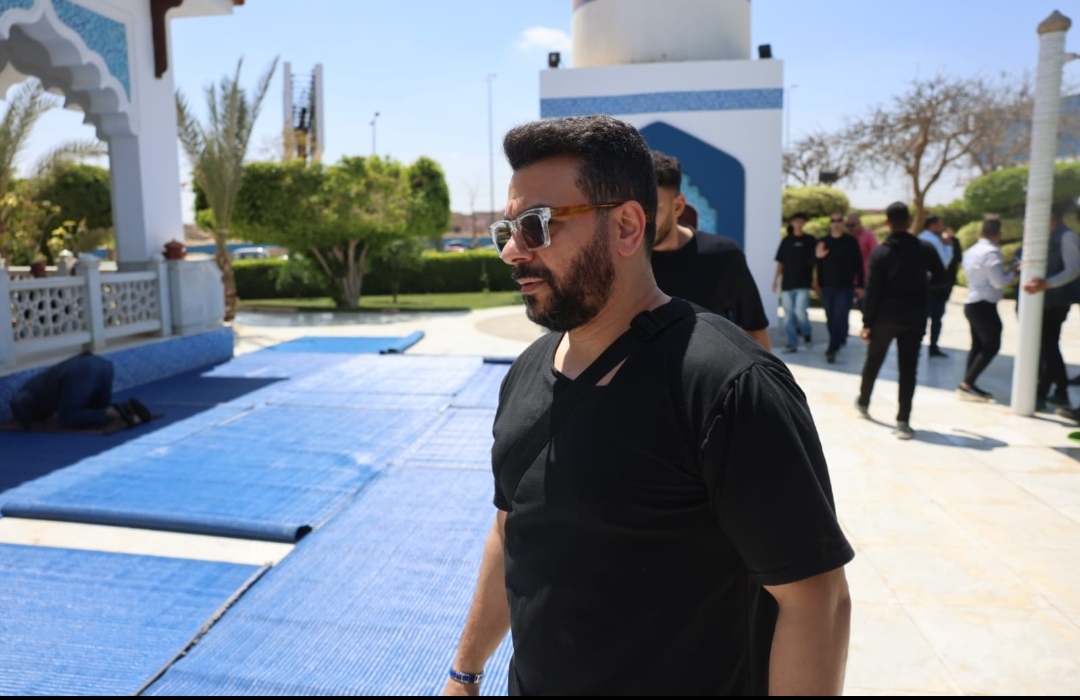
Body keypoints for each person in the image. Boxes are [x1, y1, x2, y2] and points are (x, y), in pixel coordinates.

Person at [443, 115, 852, 697]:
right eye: (507, 229)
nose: (512, 251)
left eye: (536, 225)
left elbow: (815, 601)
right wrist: (465, 674)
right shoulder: (528, 372)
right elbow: (511, 530)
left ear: (627, 227)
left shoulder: (728, 387)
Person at [649, 150, 771, 350]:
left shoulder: (723, 255)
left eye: (653, 209)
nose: (642, 221)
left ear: (678, 206)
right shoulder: (621, 260)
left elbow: (755, 328)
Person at [857, 202, 947, 439]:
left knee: (874, 361)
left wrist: (867, 323)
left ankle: (863, 402)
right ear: (909, 221)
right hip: (915, 318)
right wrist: (921, 283)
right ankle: (903, 421)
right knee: (909, 369)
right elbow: (942, 278)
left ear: (887, 222)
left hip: (884, 318)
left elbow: (872, 290)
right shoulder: (925, 248)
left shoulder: (881, 252)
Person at [1022, 201, 1080, 410]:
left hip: (1056, 303)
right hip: (1045, 301)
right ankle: (1055, 391)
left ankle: (1051, 392)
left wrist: (1048, 284)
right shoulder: (1044, 236)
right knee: (1045, 348)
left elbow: (1073, 269)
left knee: (1048, 348)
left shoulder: (1067, 236)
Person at [9, 352, 151, 430]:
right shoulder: (40, 382)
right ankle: (127, 407)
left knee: (67, 419)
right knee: (97, 408)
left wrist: (26, 426)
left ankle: (111, 413)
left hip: (83, 371)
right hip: (103, 365)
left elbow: (17, 402)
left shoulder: (29, 391)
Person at [957, 216, 1016, 402]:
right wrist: (1013, 272)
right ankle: (967, 383)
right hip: (984, 304)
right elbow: (999, 282)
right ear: (999, 234)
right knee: (991, 345)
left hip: (972, 302)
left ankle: (968, 383)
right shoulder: (992, 253)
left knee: (978, 346)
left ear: (981, 232)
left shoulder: (972, 250)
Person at [815, 211, 865, 363]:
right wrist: (818, 257)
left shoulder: (851, 242)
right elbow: (815, 264)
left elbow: (859, 264)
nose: (836, 223)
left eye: (839, 220)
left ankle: (832, 349)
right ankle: (838, 339)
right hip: (827, 287)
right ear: (830, 223)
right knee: (830, 317)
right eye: (833, 220)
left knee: (839, 316)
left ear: (842, 223)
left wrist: (861, 285)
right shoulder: (823, 242)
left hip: (845, 287)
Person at [773, 211, 817, 353]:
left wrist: (815, 281)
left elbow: (816, 262)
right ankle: (791, 343)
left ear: (804, 223)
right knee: (788, 315)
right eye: (796, 221)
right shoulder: (786, 241)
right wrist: (775, 281)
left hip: (803, 283)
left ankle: (806, 333)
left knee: (800, 311)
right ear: (792, 223)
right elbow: (780, 262)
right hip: (787, 284)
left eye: (801, 221)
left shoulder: (810, 240)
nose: (798, 224)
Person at [919, 215, 953, 358]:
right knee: (936, 317)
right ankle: (933, 347)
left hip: (921, 284)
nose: (942, 227)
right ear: (932, 225)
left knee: (921, 317)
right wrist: (949, 246)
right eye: (940, 224)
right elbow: (943, 262)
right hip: (935, 285)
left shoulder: (920, 238)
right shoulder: (934, 241)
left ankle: (917, 345)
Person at [846, 211, 879, 287]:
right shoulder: (845, 237)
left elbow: (876, 253)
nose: (850, 228)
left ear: (859, 223)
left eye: (852, 225)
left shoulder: (868, 235)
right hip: (849, 278)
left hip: (865, 277)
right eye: (847, 225)